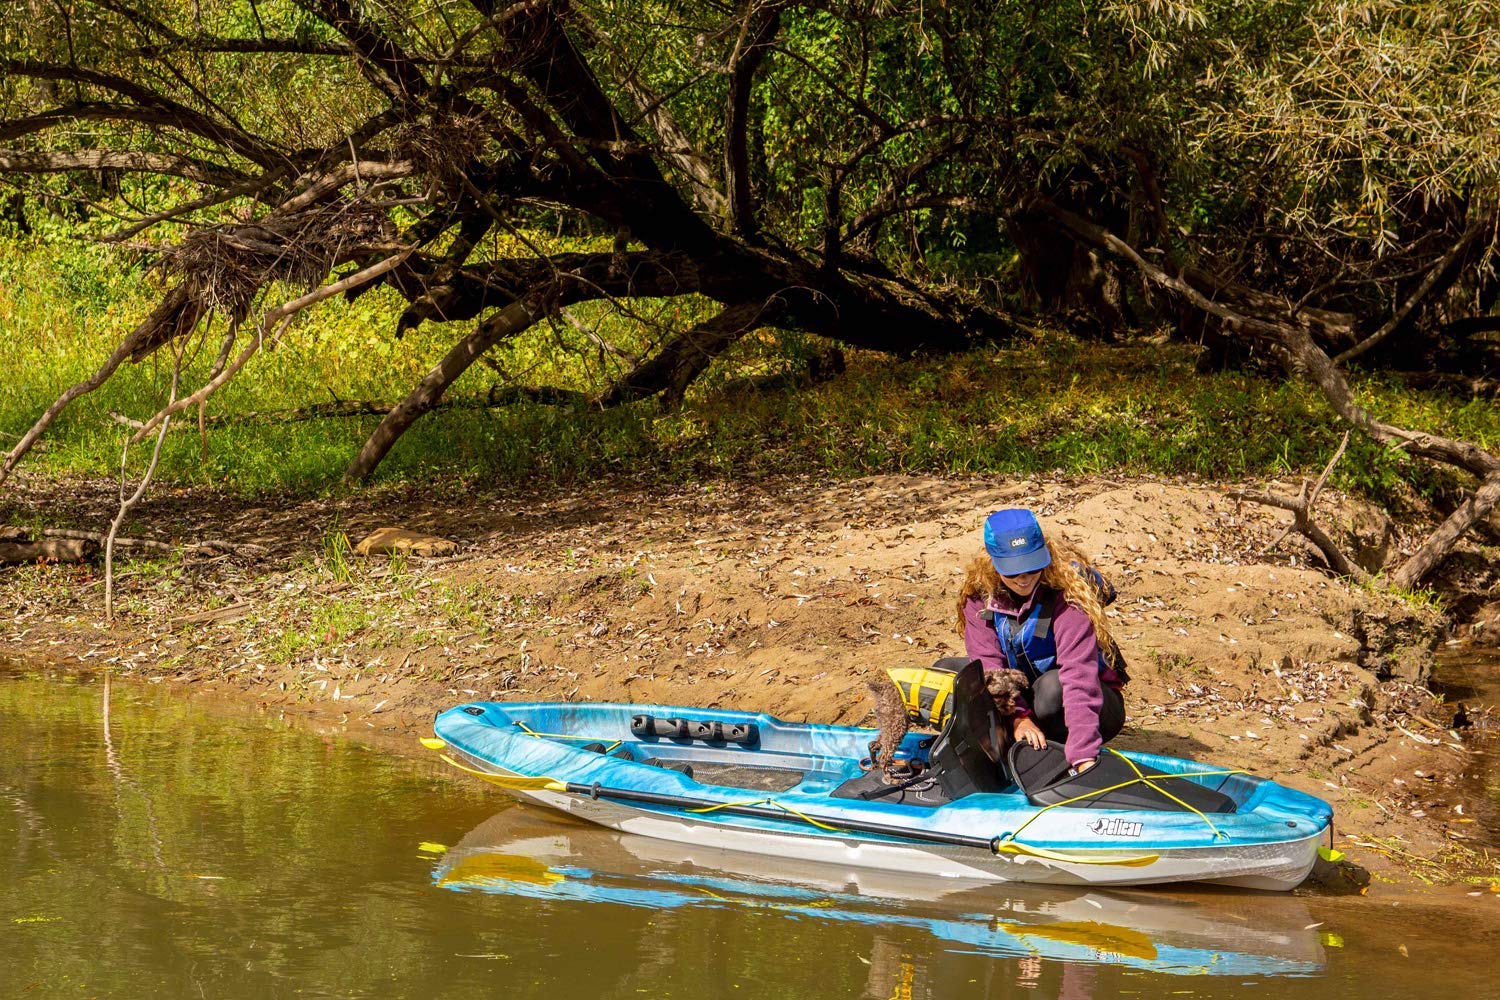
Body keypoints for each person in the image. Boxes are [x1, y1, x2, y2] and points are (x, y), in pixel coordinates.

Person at [955, 508, 1126, 775]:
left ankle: (1063, 748)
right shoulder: (977, 598)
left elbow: (1079, 676)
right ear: (992, 562)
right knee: (957, 675)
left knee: (1052, 688)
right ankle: (1019, 738)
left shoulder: (1068, 596)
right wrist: (1018, 718)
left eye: (1032, 567)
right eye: (1013, 572)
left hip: (1087, 702)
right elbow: (990, 668)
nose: (1024, 579)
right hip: (1024, 695)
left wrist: (1084, 757)